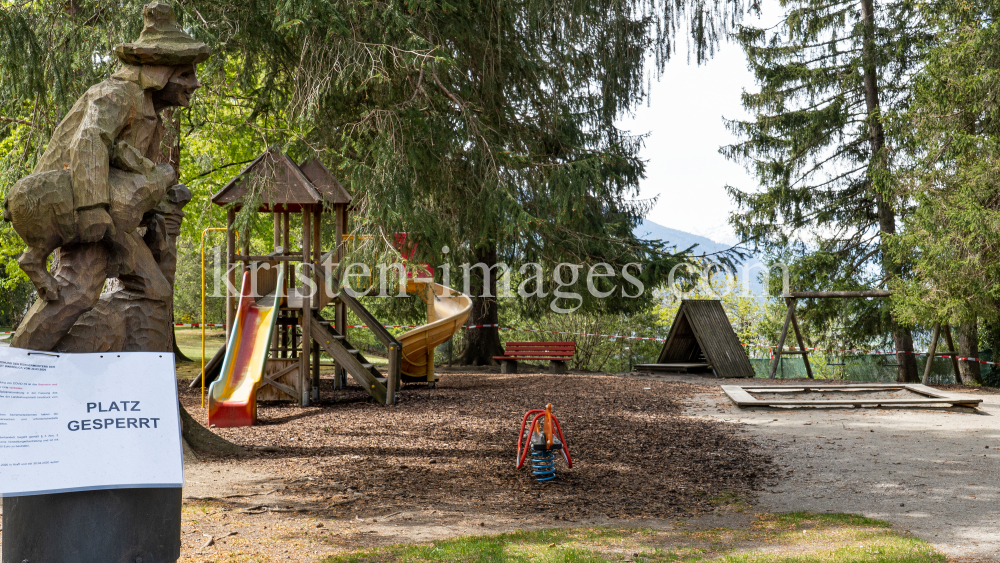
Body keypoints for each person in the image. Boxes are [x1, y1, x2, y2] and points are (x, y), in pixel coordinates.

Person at [10, 2, 210, 351]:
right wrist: (92, 211)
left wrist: (158, 209)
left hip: (113, 220)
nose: (194, 84)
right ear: (160, 72)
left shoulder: (148, 112)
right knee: (78, 290)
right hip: (78, 212)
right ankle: (21, 371)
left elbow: (132, 173)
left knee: (154, 291)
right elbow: (89, 140)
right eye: (186, 74)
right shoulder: (116, 95)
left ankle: (142, 390)